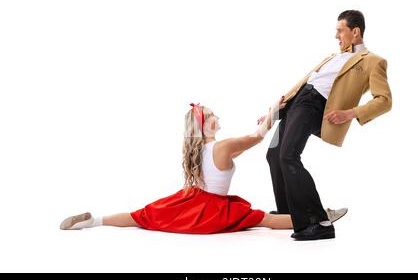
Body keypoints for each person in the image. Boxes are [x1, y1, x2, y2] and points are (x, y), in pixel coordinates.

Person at [60, 101, 347, 233]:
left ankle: (93, 220)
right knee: (265, 220)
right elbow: (257, 137)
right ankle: (319, 215)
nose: (216, 116)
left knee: (142, 215)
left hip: (190, 199)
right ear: (204, 124)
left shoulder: (200, 149)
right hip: (212, 208)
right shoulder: (222, 146)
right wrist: (275, 109)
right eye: (211, 115)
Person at [262, 10, 392, 241]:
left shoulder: (373, 61)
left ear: (355, 32)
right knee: (274, 155)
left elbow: (384, 101)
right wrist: (273, 111)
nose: (336, 36)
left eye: (340, 30)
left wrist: (350, 113)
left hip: (314, 105)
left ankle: (318, 221)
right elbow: (304, 82)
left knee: (288, 156)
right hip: (298, 101)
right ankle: (290, 215)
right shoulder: (332, 56)